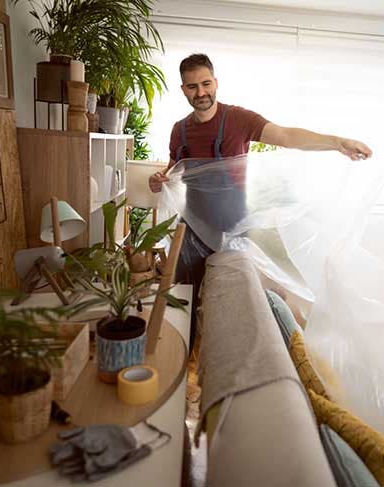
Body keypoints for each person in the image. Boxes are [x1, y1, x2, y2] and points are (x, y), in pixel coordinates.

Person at [148, 53, 372, 346]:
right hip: (192, 232)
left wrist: (337, 143)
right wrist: (159, 180)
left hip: (234, 232)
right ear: (183, 90)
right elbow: (174, 170)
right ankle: (182, 363)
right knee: (183, 305)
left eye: (206, 84)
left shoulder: (238, 119)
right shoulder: (180, 130)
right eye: (192, 86)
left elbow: (286, 136)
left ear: (216, 82)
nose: (201, 92)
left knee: (238, 305)